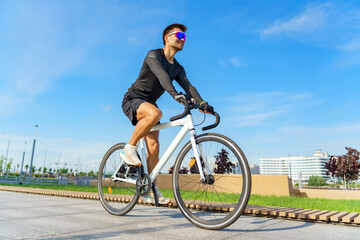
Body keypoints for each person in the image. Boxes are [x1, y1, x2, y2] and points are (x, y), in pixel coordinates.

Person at [121, 23, 214, 204]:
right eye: (179, 36)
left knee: (154, 148)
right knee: (156, 113)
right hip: (133, 98)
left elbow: (188, 86)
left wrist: (202, 103)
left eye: (184, 38)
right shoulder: (153, 55)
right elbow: (161, 75)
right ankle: (128, 149)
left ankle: (150, 189)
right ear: (167, 38)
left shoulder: (177, 68)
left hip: (150, 104)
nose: (182, 40)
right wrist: (175, 95)